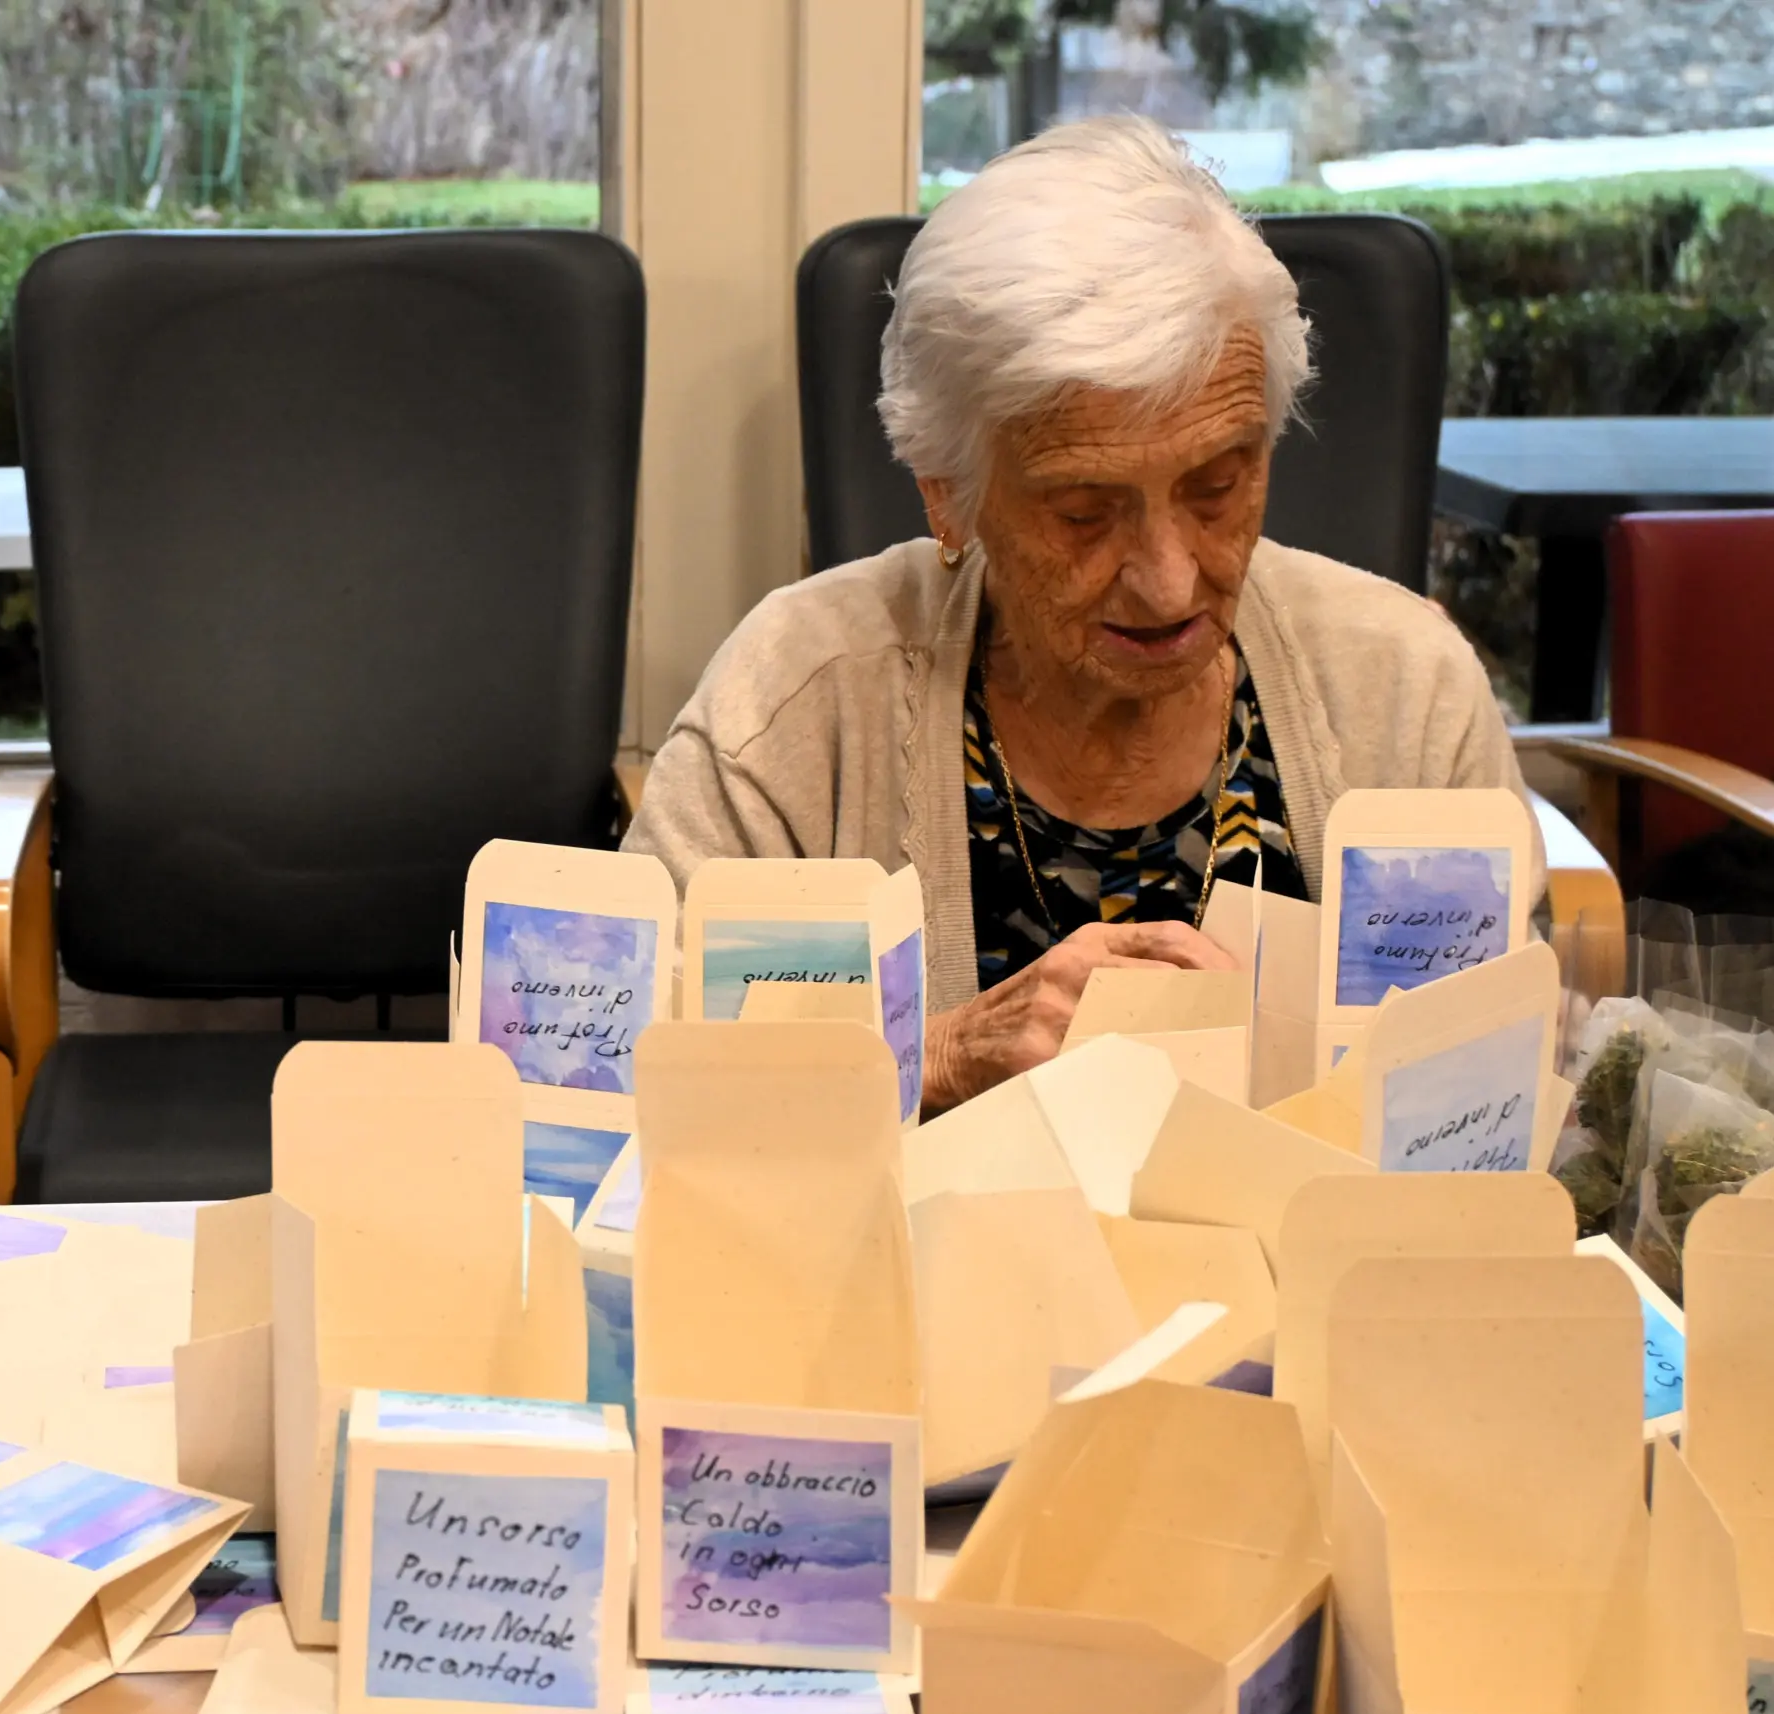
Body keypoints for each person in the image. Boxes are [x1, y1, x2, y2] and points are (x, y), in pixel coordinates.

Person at [624, 115, 1530, 1111]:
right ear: (947, 495)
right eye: (1085, 513)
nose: (1170, 581)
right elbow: (628, 1082)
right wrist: (939, 1056)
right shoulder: (799, 700)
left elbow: (1496, 1100)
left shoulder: (1405, 690)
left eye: (1218, 487)